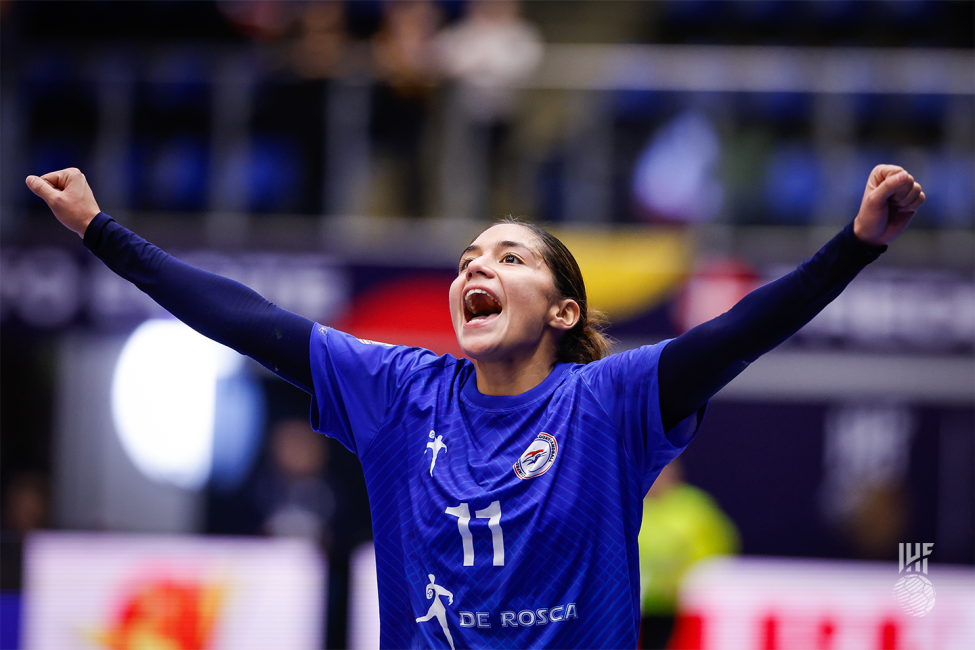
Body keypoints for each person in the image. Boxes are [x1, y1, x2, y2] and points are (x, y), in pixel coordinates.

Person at [26, 164, 924, 649]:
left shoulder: (610, 403)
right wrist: (104, 234)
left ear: (563, 310)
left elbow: (740, 332)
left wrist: (855, 247)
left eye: (508, 258)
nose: (475, 269)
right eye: (466, 258)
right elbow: (248, 320)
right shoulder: (396, 392)